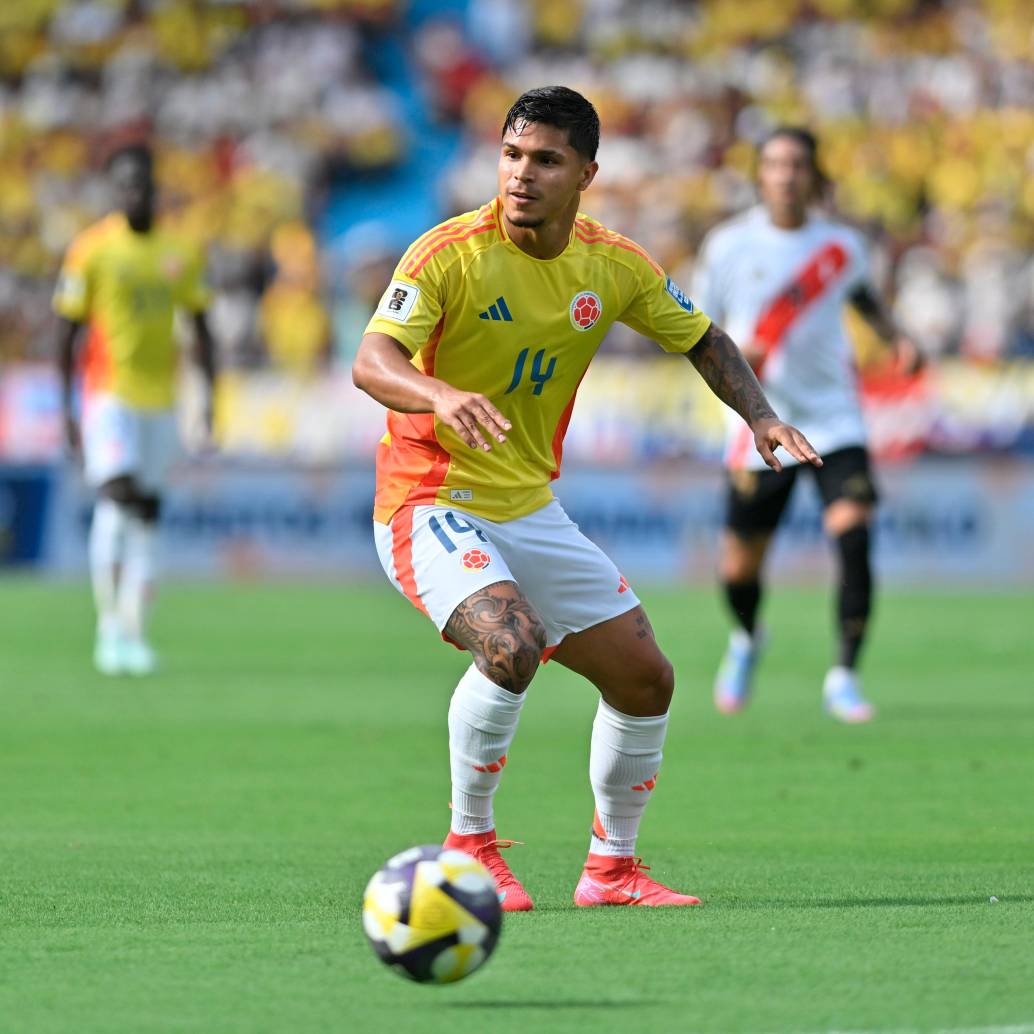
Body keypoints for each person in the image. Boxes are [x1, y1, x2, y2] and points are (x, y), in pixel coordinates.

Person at [352, 87, 820, 911]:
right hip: (429, 498)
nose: (521, 176)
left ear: (586, 174)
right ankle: (471, 849)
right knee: (511, 642)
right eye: (511, 155)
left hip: (527, 505)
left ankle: (611, 871)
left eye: (545, 161)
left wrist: (762, 417)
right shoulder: (445, 254)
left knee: (646, 680)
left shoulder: (611, 266)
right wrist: (435, 393)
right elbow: (372, 362)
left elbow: (703, 338)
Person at [692, 127, 922, 723]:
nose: (785, 174)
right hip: (760, 420)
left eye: (796, 164)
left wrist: (898, 339)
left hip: (833, 417)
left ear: (814, 175)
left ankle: (844, 675)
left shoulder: (842, 245)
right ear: (760, 174)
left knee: (853, 533)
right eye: (773, 163)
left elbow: (866, 300)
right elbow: (695, 329)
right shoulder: (727, 246)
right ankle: (746, 639)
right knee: (740, 569)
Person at [53, 143, 216, 676]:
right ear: (114, 190)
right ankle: (107, 628)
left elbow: (201, 326)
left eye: (141, 185)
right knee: (115, 494)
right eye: (124, 185)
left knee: (146, 514)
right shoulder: (92, 250)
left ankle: (132, 631)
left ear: (154, 190)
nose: (134, 193)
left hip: (161, 399)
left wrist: (209, 399)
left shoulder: (181, 250)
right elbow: (67, 330)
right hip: (109, 393)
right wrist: (68, 409)